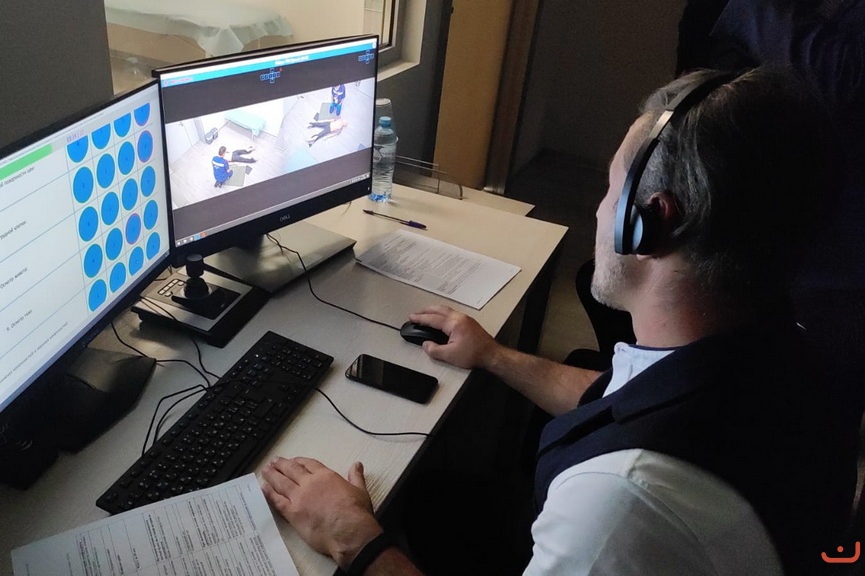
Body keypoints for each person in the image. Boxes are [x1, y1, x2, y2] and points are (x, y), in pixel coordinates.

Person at [260, 68, 861, 575]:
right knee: (439, 496)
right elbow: (621, 394)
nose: (598, 211)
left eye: (610, 189)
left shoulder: (620, 505)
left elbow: (622, 490)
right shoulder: (781, 349)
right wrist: (494, 355)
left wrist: (355, 540)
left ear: (650, 221)